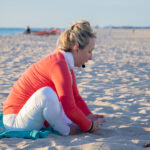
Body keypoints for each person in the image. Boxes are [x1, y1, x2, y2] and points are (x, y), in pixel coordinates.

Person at [3, 20, 105, 136]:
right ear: (76, 49)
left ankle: (64, 126)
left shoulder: (64, 63)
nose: (91, 57)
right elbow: (69, 108)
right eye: (89, 51)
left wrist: (88, 115)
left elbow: (76, 97)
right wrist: (89, 126)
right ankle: (65, 130)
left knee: (54, 99)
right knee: (47, 94)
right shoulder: (58, 64)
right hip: (15, 121)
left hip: (29, 114)